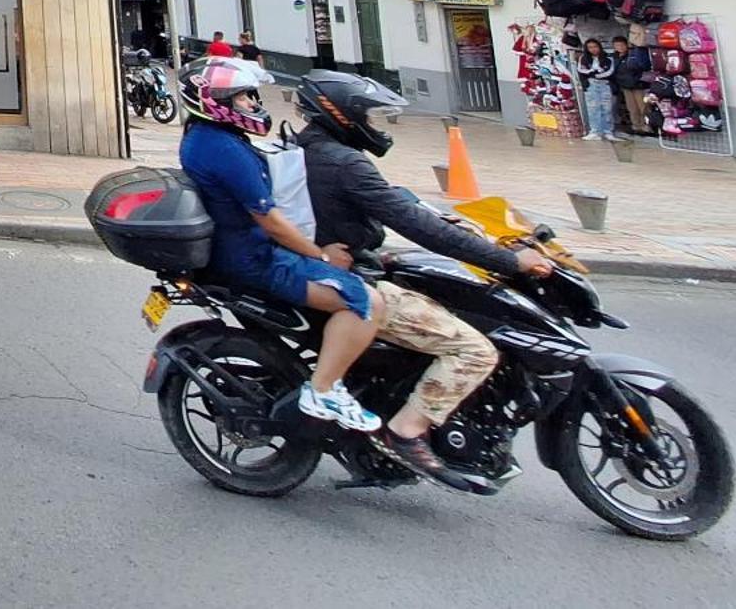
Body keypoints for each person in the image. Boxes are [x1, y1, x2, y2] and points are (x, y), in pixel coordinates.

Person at [294, 70, 553, 491]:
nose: (376, 126)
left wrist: (446, 217)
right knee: (473, 350)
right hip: (352, 276)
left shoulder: (313, 148)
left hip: (348, 261)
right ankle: (405, 432)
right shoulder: (345, 162)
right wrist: (509, 260)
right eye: (371, 117)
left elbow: (397, 203)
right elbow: (415, 225)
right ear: (342, 115)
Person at [178, 56, 384, 431]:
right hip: (254, 259)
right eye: (242, 98)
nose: (253, 105)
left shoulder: (207, 138)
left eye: (251, 96)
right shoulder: (222, 148)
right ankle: (323, 389)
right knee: (364, 299)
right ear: (215, 102)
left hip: (242, 251)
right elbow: (270, 221)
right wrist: (320, 254)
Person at [614, 32, 655, 135]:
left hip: (638, 85)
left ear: (626, 44)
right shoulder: (615, 58)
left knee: (644, 107)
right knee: (632, 108)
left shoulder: (634, 54)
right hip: (626, 86)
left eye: (621, 45)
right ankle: (636, 126)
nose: (619, 47)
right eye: (617, 45)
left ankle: (647, 126)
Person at [576, 37, 617, 141]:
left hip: (605, 84)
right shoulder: (583, 58)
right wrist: (591, 75)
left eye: (595, 46)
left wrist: (597, 74)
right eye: (590, 47)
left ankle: (608, 131)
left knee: (607, 108)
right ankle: (595, 131)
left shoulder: (608, 58)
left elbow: (610, 71)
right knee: (593, 109)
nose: (593, 49)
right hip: (591, 84)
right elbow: (581, 70)